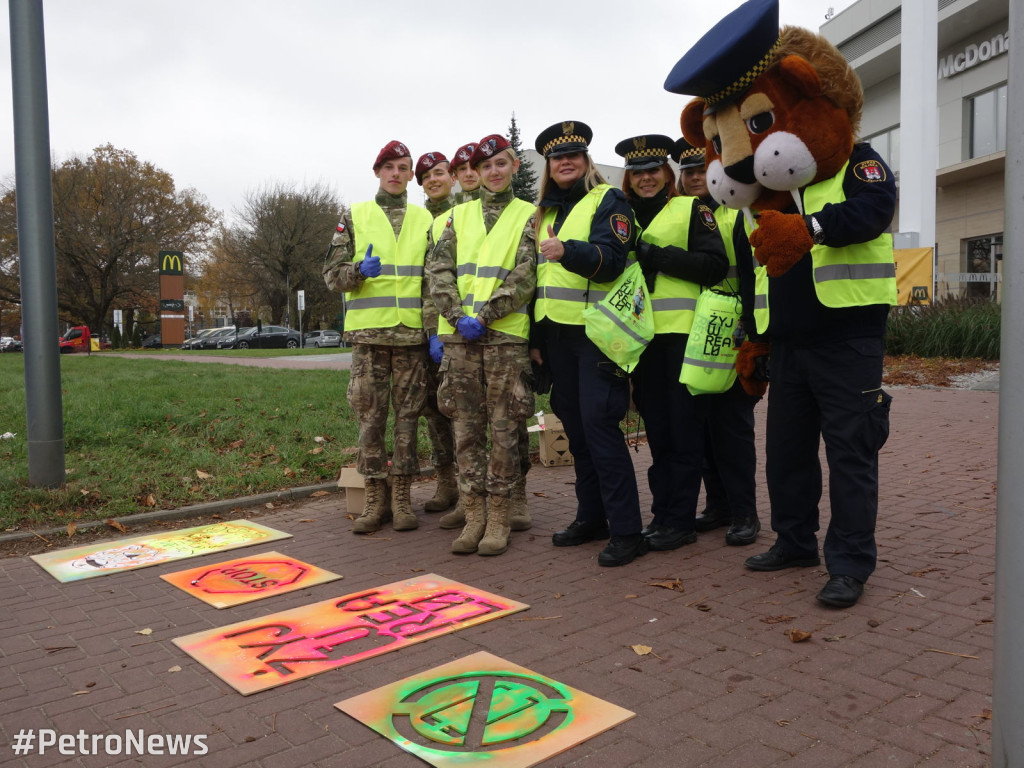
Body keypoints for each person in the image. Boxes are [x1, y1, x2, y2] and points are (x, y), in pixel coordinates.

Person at [666, 0, 897, 607]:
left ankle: (849, 562)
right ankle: (794, 540)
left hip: (848, 338)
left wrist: (814, 228)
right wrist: (753, 337)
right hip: (788, 343)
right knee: (787, 453)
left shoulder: (855, 162)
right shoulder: (754, 203)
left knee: (850, 454)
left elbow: (875, 211)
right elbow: (751, 276)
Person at [531, 120, 646, 567]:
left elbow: (613, 259)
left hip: (597, 335)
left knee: (600, 427)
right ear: (549, 166)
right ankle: (592, 516)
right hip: (558, 338)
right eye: (558, 158)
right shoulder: (545, 210)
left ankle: (627, 530)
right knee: (577, 432)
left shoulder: (609, 199)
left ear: (586, 162)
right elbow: (540, 282)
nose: (565, 162)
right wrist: (538, 341)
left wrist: (569, 251)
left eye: (573, 156)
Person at [615, 134, 729, 551]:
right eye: (638, 172)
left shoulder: (691, 208)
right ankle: (663, 515)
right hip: (642, 343)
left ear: (667, 174)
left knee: (682, 432)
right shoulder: (622, 215)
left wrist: (657, 256)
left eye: (653, 170)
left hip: (682, 339)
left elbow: (716, 266)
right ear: (630, 178)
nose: (646, 179)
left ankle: (678, 521)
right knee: (659, 434)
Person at [427, 134, 536, 555]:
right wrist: (457, 318)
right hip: (461, 338)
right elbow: (439, 270)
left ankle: (500, 517)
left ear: (514, 167)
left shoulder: (531, 214)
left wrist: (485, 316)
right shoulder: (458, 217)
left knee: (506, 427)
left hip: (505, 337)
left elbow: (526, 274)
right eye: (485, 165)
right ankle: (473, 514)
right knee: (466, 428)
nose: (493, 172)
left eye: (501, 164)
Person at [323, 140, 433, 534]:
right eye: (389, 167)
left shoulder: (425, 220)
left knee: (407, 422)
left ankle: (402, 499)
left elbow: (434, 280)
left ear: (409, 175)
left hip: (412, 338)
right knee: (370, 422)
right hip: (370, 339)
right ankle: (375, 498)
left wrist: (434, 331)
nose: (395, 174)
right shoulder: (354, 216)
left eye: (403, 167)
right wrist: (358, 271)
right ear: (377, 172)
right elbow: (332, 276)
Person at [672, 137, 762, 546]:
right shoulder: (677, 214)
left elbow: (751, 275)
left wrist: (752, 329)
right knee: (703, 427)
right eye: (687, 171)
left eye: (700, 170)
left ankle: (745, 512)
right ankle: (718, 505)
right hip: (687, 333)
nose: (694, 177)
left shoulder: (737, 213)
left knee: (733, 428)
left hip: (730, 332)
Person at [415, 151, 460, 516]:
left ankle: (473, 482)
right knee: (433, 409)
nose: (434, 179)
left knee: (462, 409)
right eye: (426, 175)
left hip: (455, 328)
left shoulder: (465, 214)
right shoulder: (416, 221)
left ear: (453, 177)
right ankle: (446, 481)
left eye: (439, 173)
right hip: (420, 331)